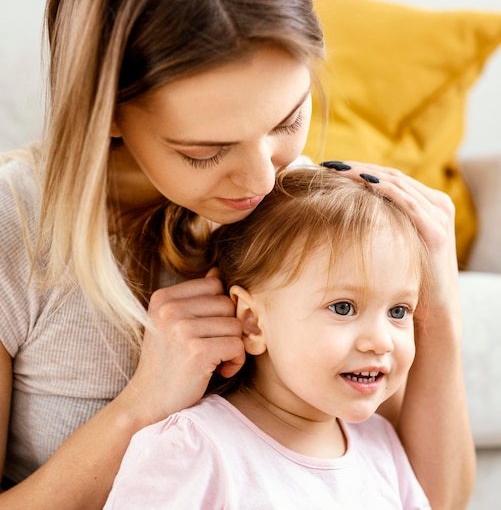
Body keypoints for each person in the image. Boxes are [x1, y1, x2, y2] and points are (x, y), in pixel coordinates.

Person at [0, 0, 474, 509]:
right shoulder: (17, 228)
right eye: (205, 152)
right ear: (106, 113)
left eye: (286, 121)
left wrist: (436, 310)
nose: (261, 181)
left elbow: (426, 498)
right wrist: (142, 406)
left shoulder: (299, 211)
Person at [104, 166, 433, 509]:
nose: (381, 342)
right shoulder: (192, 448)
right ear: (252, 322)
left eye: (398, 311)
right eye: (343, 307)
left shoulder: (382, 448)